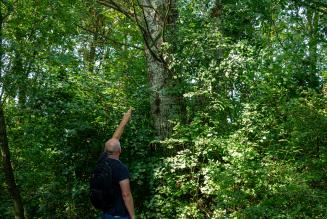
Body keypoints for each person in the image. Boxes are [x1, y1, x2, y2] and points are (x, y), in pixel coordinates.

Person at [101, 108, 135, 219]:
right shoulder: (121, 168)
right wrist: (133, 216)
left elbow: (114, 139)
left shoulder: (102, 161)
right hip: (120, 216)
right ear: (120, 151)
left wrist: (124, 120)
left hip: (105, 214)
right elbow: (126, 195)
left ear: (106, 150)